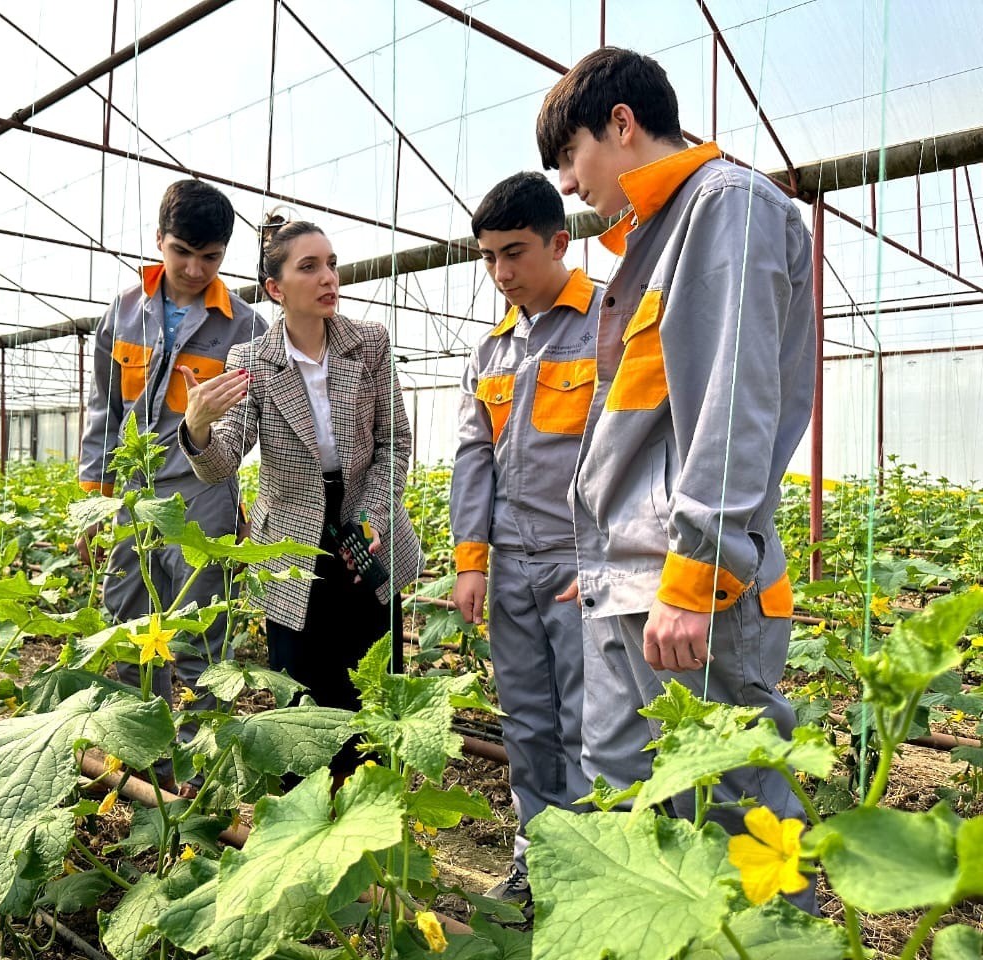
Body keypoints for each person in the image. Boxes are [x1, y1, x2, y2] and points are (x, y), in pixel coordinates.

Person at [535, 49, 816, 842]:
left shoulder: (727, 206)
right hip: (630, 581)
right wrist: (601, 555)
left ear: (622, 125)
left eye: (570, 155)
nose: (567, 181)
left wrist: (696, 574)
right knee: (630, 815)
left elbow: (735, 401)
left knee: (735, 817)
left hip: (688, 590)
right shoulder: (654, 240)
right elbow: (642, 429)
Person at [180, 215, 422, 773]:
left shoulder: (370, 345)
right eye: (308, 267)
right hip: (290, 548)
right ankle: (308, 808)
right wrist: (196, 428)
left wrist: (373, 516)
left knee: (375, 684)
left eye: (331, 264)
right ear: (275, 288)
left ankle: (372, 808)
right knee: (302, 693)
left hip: (367, 530)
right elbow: (222, 462)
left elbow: (394, 443)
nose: (327, 277)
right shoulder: (252, 362)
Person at [78, 180, 267, 775]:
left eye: (210, 257)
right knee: (130, 618)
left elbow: (249, 426)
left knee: (199, 627)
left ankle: (197, 766)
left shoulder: (246, 328)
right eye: (182, 250)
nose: (193, 267)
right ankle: (146, 758)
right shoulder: (124, 311)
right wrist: (94, 500)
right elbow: (103, 409)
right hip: (133, 489)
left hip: (201, 489)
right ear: (158, 240)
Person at [450, 172, 601, 910]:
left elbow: (635, 453)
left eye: (514, 253)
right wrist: (470, 561)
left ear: (559, 243)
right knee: (526, 721)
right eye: (488, 258)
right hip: (512, 564)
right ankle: (533, 855)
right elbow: (473, 460)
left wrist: (607, 554)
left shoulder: (609, 322)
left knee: (587, 721)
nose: (501, 273)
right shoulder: (492, 353)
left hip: (581, 563)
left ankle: (583, 867)